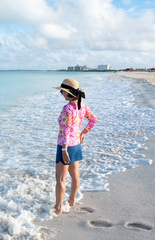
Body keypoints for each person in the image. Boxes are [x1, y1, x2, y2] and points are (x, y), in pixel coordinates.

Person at [53, 78, 98, 214]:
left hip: (65, 146)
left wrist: (64, 149)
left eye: (62, 91)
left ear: (68, 93)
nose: (61, 93)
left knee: (60, 179)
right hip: (76, 145)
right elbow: (93, 120)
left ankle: (58, 208)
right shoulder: (82, 105)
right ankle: (71, 201)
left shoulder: (67, 108)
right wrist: (83, 133)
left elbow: (66, 130)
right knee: (75, 176)